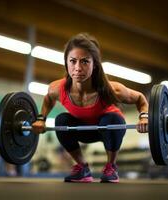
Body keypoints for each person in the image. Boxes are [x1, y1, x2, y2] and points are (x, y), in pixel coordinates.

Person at [32, 33, 148, 183]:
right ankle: (82, 168)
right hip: (82, 130)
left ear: (95, 65)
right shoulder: (57, 88)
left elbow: (140, 99)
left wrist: (144, 116)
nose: (78, 68)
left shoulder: (112, 89)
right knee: (61, 120)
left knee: (112, 118)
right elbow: (48, 100)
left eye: (85, 62)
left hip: (109, 129)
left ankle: (111, 166)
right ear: (66, 63)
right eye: (72, 61)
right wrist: (41, 119)